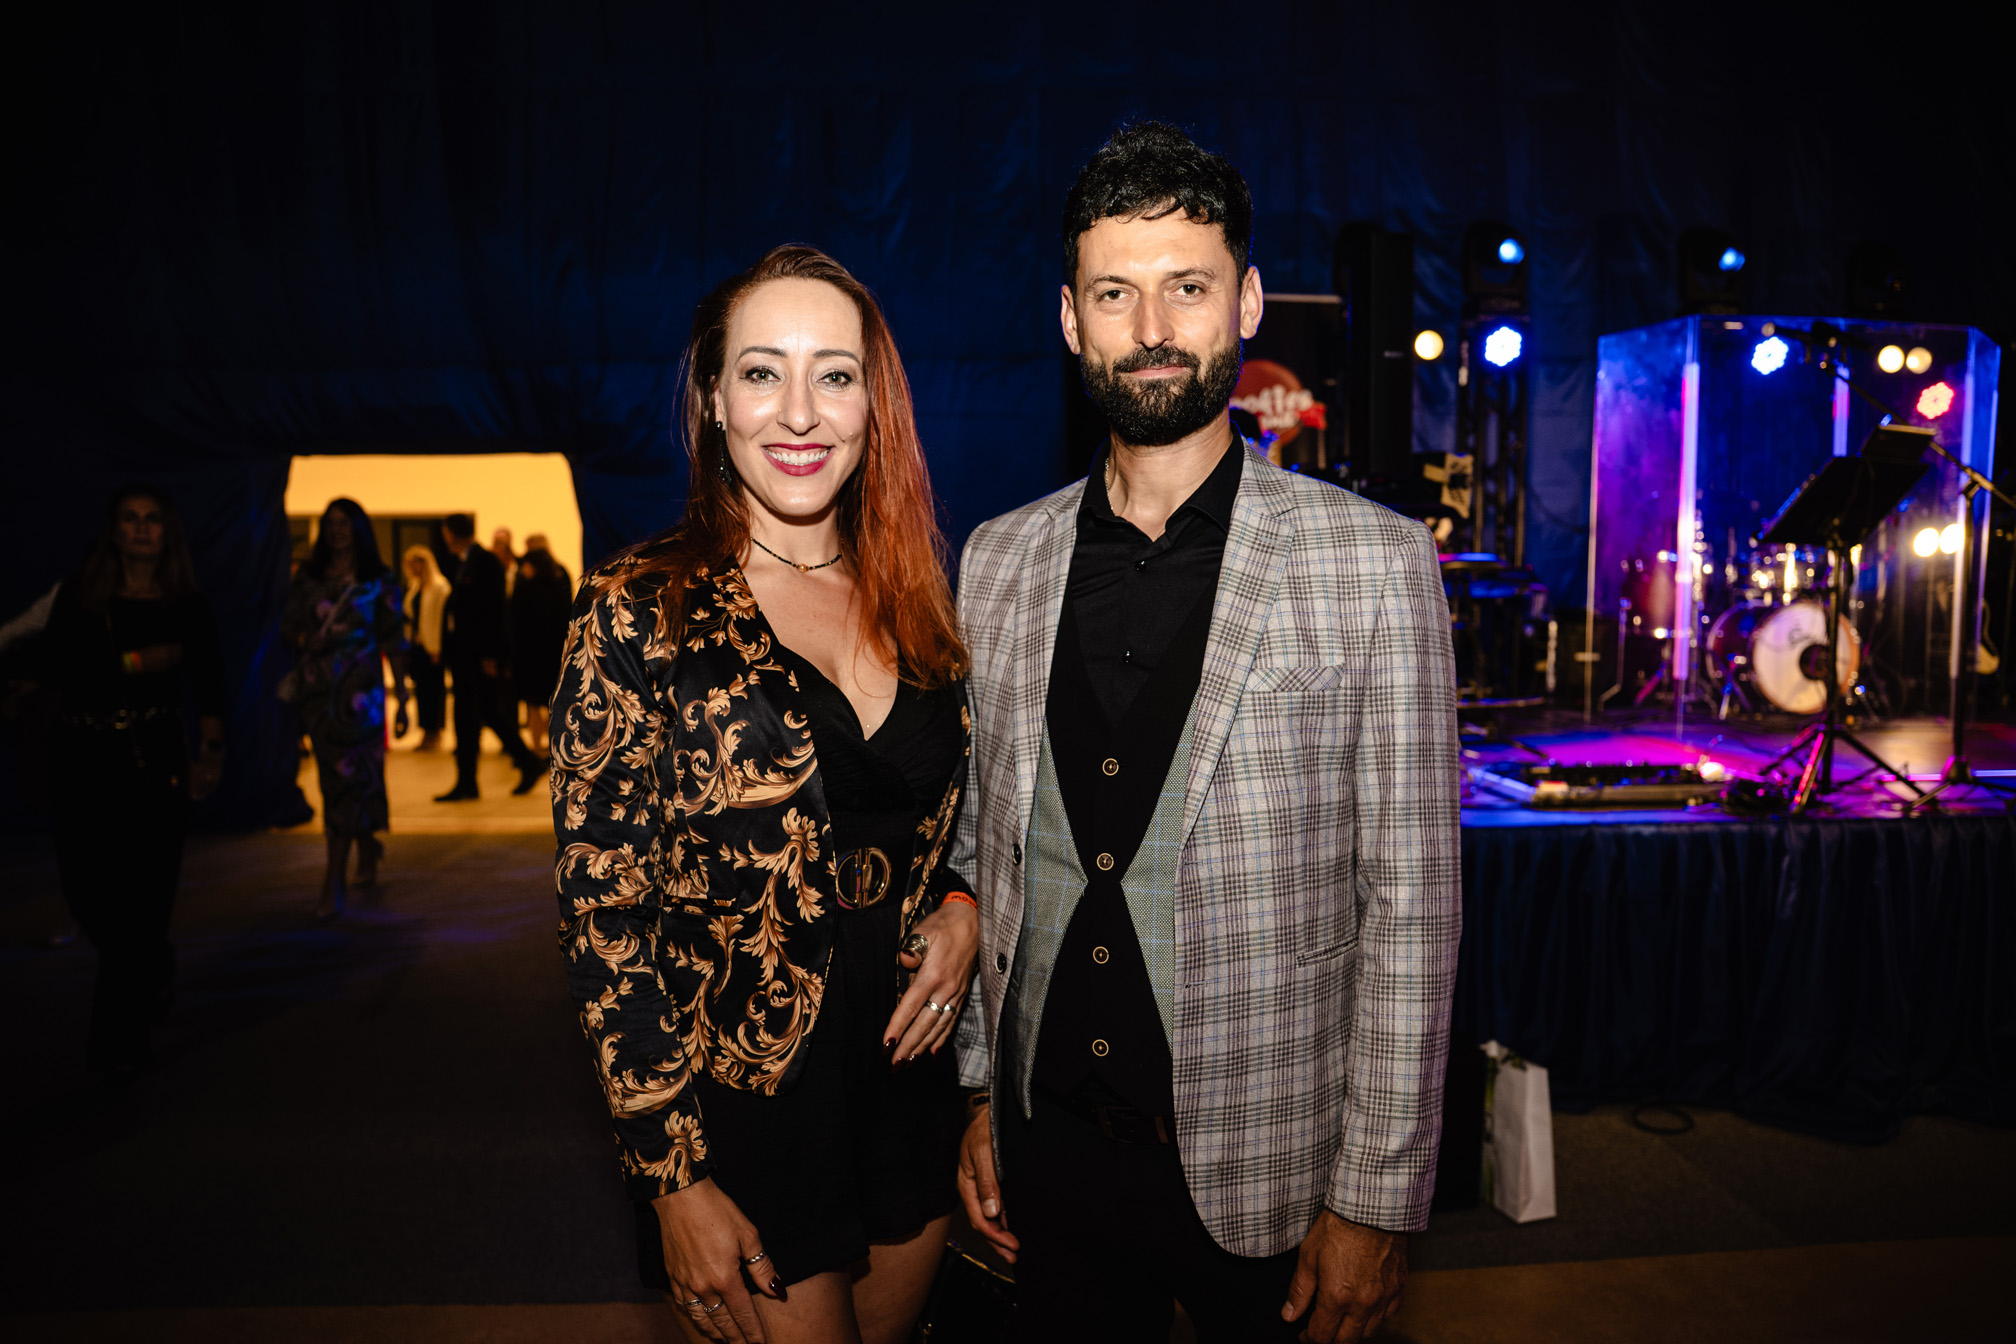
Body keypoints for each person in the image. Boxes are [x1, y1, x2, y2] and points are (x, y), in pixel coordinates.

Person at [950, 123, 1462, 1343]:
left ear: (1246, 301)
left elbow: (1413, 906)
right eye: (1112, 294)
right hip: (1051, 1153)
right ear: (1070, 319)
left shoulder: (1376, 561)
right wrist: (977, 1090)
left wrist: (1374, 1201)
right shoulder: (998, 559)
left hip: (1273, 1169)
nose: (1151, 328)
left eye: (1186, 287)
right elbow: (985, 854)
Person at [550, 245, 978, 1344]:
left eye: (835, 375)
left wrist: (965, 908)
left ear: (874, 405)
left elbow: (955, 824)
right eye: (760, 372)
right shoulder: (638, 609)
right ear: (712, 398)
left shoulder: (919, 596)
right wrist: (672, 1180)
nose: (799, 412)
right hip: (746, 1105)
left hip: (908, 1080)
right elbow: (604, 917)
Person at [41, 485, 226, 1072]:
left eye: (152, 519)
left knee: (145, 899)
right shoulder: (82, 597)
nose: (142, 528)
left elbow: (209, 681)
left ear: (167, 533)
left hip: (156, 761)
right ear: (114, 530)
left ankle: (118, 1047)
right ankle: (151, 962)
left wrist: (211, 753)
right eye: (131, 518)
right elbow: (60, 669)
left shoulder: (185, 604)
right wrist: (137, 662)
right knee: (88, 893)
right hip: (85, 758)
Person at [283, 498, 409, 919]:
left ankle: (340, 872)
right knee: (335, 780)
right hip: (320, 695)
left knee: (360, 777)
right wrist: (307, 639)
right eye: (331, 523)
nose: (338, 530)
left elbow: (394, 638)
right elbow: (289, 626)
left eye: (346, 522)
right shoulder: (308, 578)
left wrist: (403, 697)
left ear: (359, 529)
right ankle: (359, 853)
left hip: (362, 696)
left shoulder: (378, 578)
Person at [436, 512, 542, 800]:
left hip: (477, 655)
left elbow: (493, 612)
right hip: (466, 654)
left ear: (451, 533)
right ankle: (471, 779)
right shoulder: (467, 561)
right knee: (473, 715)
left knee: (484, 713)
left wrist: (491, 655)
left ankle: (525, 763)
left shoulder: (483, 562)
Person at [509, 536, 572, 752]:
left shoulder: (525, 586)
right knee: (553, 701)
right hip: (555, 652)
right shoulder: (560, 576)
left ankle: (536, 747)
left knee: (533, 704)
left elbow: (516, 619)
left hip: (531, 653)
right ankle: (555, 745)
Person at [402, 545, 452, 750]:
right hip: (417, 645)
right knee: (421, 691)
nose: (413, 569)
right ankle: (425, 731)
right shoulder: (415, 587)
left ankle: (435, 732)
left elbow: (440, 620)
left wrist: (437, 648)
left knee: (434, 691)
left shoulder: (440, 586)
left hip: (433, 646)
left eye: (416, 564)